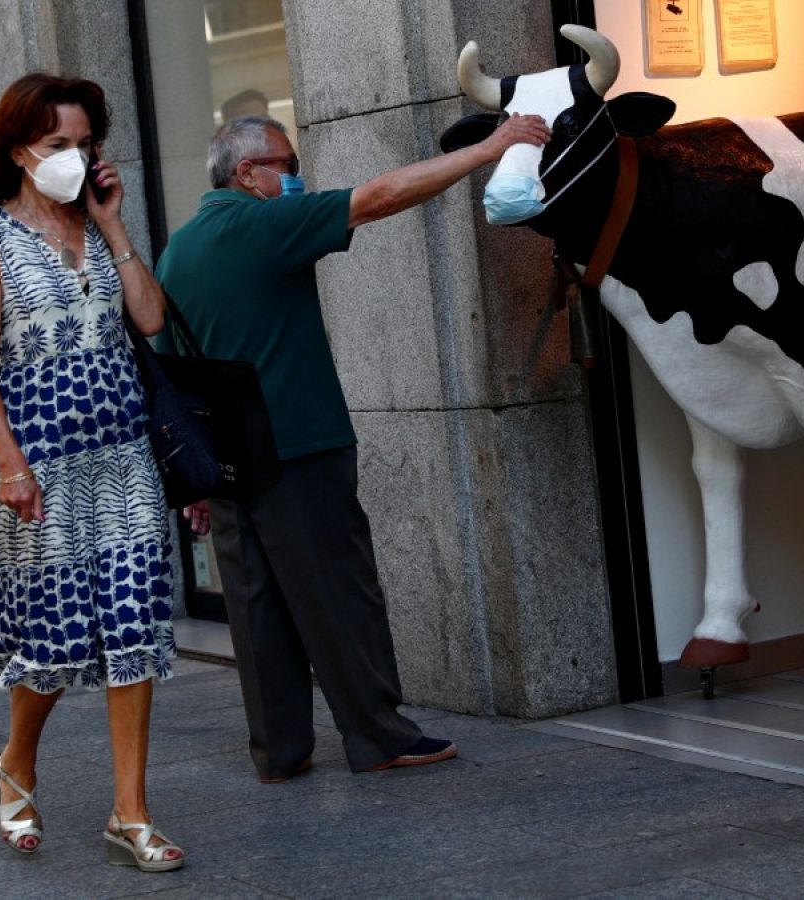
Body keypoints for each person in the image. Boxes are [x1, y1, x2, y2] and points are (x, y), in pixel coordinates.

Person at [156, 112, 551, 782]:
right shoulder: (261, 224)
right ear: (248, 173)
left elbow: (174, 367)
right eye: (287, 164)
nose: (296, 176)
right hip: (298, 444)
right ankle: (378, 736)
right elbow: (381, 196)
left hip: (227, 459)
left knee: (256, 606)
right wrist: (488, 149)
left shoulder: (178, 251)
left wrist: (197, 480)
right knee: (338, 592)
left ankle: (279, 751)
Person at [0, 73, 185, 872]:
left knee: (134, 624)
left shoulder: (99, 227)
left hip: (123, 458)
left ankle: (131, 812)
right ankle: (17, 761)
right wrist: (11, 465)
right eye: (57, 144)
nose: (74, 156)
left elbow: (150, 318)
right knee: (55, 636)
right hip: (39, 465)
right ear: (18, 152)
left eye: (84, 143)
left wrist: (114, 224)